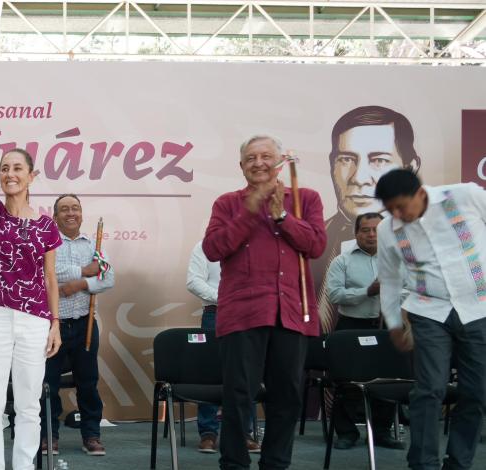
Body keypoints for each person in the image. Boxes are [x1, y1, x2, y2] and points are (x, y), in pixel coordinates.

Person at [203, 135, 326, 470]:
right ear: (241, 166)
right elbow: (214, 249)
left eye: (266, 156)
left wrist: (283, 218)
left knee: (287, 397)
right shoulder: (227, 203)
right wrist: (250, 210)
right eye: (251, 158)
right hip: (243, 314)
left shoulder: (306, 199)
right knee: (238, 396)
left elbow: (315, 246)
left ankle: (275, 464)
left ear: (279, 162)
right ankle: (234, 463)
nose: (259, 163)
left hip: (292, 312)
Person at [0, 81, 62, 470]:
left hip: (36, 321)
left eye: (17, 167)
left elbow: (51, 278)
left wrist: (54, 323)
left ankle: (22, 466)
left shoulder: (47, 225)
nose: (9, 173)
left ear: (31, 176)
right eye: (4, 168)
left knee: (29, 405)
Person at [375, 169, 486, 470]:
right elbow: (389, 279)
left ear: (420, 193)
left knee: (477, 392)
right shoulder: (388, 229)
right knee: (429, 389)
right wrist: (395, 323)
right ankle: (423, 463)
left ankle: (459, 462)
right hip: (429, 311)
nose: (397, 214)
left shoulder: (466, 196)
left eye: (401, 206)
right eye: (390, 209)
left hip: (478, 309)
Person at [313, 106, 422, 329]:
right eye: (346, 159)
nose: (359, 178)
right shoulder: (311, 241)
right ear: (331, 165)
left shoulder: (421, 243)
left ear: (409, 168)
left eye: (379, 160)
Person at [38, 194, 114, 457]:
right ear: (55, 216)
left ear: (81, 214)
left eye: (75, 208)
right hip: (51, 325)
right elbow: (47, 273)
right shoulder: (47, 242)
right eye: (64, 209)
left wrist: (79, 285)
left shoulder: (94, 244)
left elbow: (108, 278)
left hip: (85, 324)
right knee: (48, 384)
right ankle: (49, 435)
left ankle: (91, 435)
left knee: (88, 383)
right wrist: (83, 272)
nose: (71, 213)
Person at [324, 212, 402, 450]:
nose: (371, 235)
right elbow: (335, 295)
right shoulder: (342, 261)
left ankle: (381, 432)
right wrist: (368, 291)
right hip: (351, 328)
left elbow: (412, 292)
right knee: (346, 383)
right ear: (356, 233)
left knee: (388, 382)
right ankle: (347, 433)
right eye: (365, 230)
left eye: (376, 230)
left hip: (387, 326)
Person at [185, 240, 260, 455]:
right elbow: (193, 281)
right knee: (212, 373)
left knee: (246, 373)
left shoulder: (254, 246)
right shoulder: (205, 246)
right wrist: (226, 298)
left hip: (250, 313)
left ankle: (243, 432)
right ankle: (208, 432)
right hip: (216, 312)